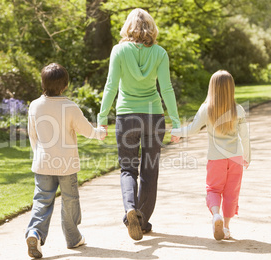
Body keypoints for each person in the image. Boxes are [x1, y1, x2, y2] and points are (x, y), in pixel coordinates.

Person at [97, 8, 181, 241]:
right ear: (151, 28)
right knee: (149, 170)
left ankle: (130, 209)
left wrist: (102, 118)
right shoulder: (160, 53)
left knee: (127, 169)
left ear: (128, 27)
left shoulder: (119, 50)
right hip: (154, 117)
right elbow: (166, 88)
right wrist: (175, 121)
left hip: (127, 118)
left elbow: (111, 86)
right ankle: (141, 221)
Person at [25, 63, 106, 258]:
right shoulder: (70, 106)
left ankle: (34, 232)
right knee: (70, 200)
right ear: (65, 86)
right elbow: (87, 130)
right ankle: (73, 238)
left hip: (43, 162)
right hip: (66, 164)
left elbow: (32, 134)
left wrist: (38, 153)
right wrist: (99, 133)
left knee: (42, 200)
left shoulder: (35, 105)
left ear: (42, 83)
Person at [171, 70, 251, 240]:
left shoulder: (206, 109)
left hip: (216, 159)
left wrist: (175, 132)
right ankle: (227, 228)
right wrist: (247, 156)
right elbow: (245, 136)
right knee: (231, 192)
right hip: (236, 158)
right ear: (231, 89)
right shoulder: (238, 110)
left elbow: (192, 130)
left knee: (214, 189)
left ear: (212, 88)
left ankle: (216, 215)